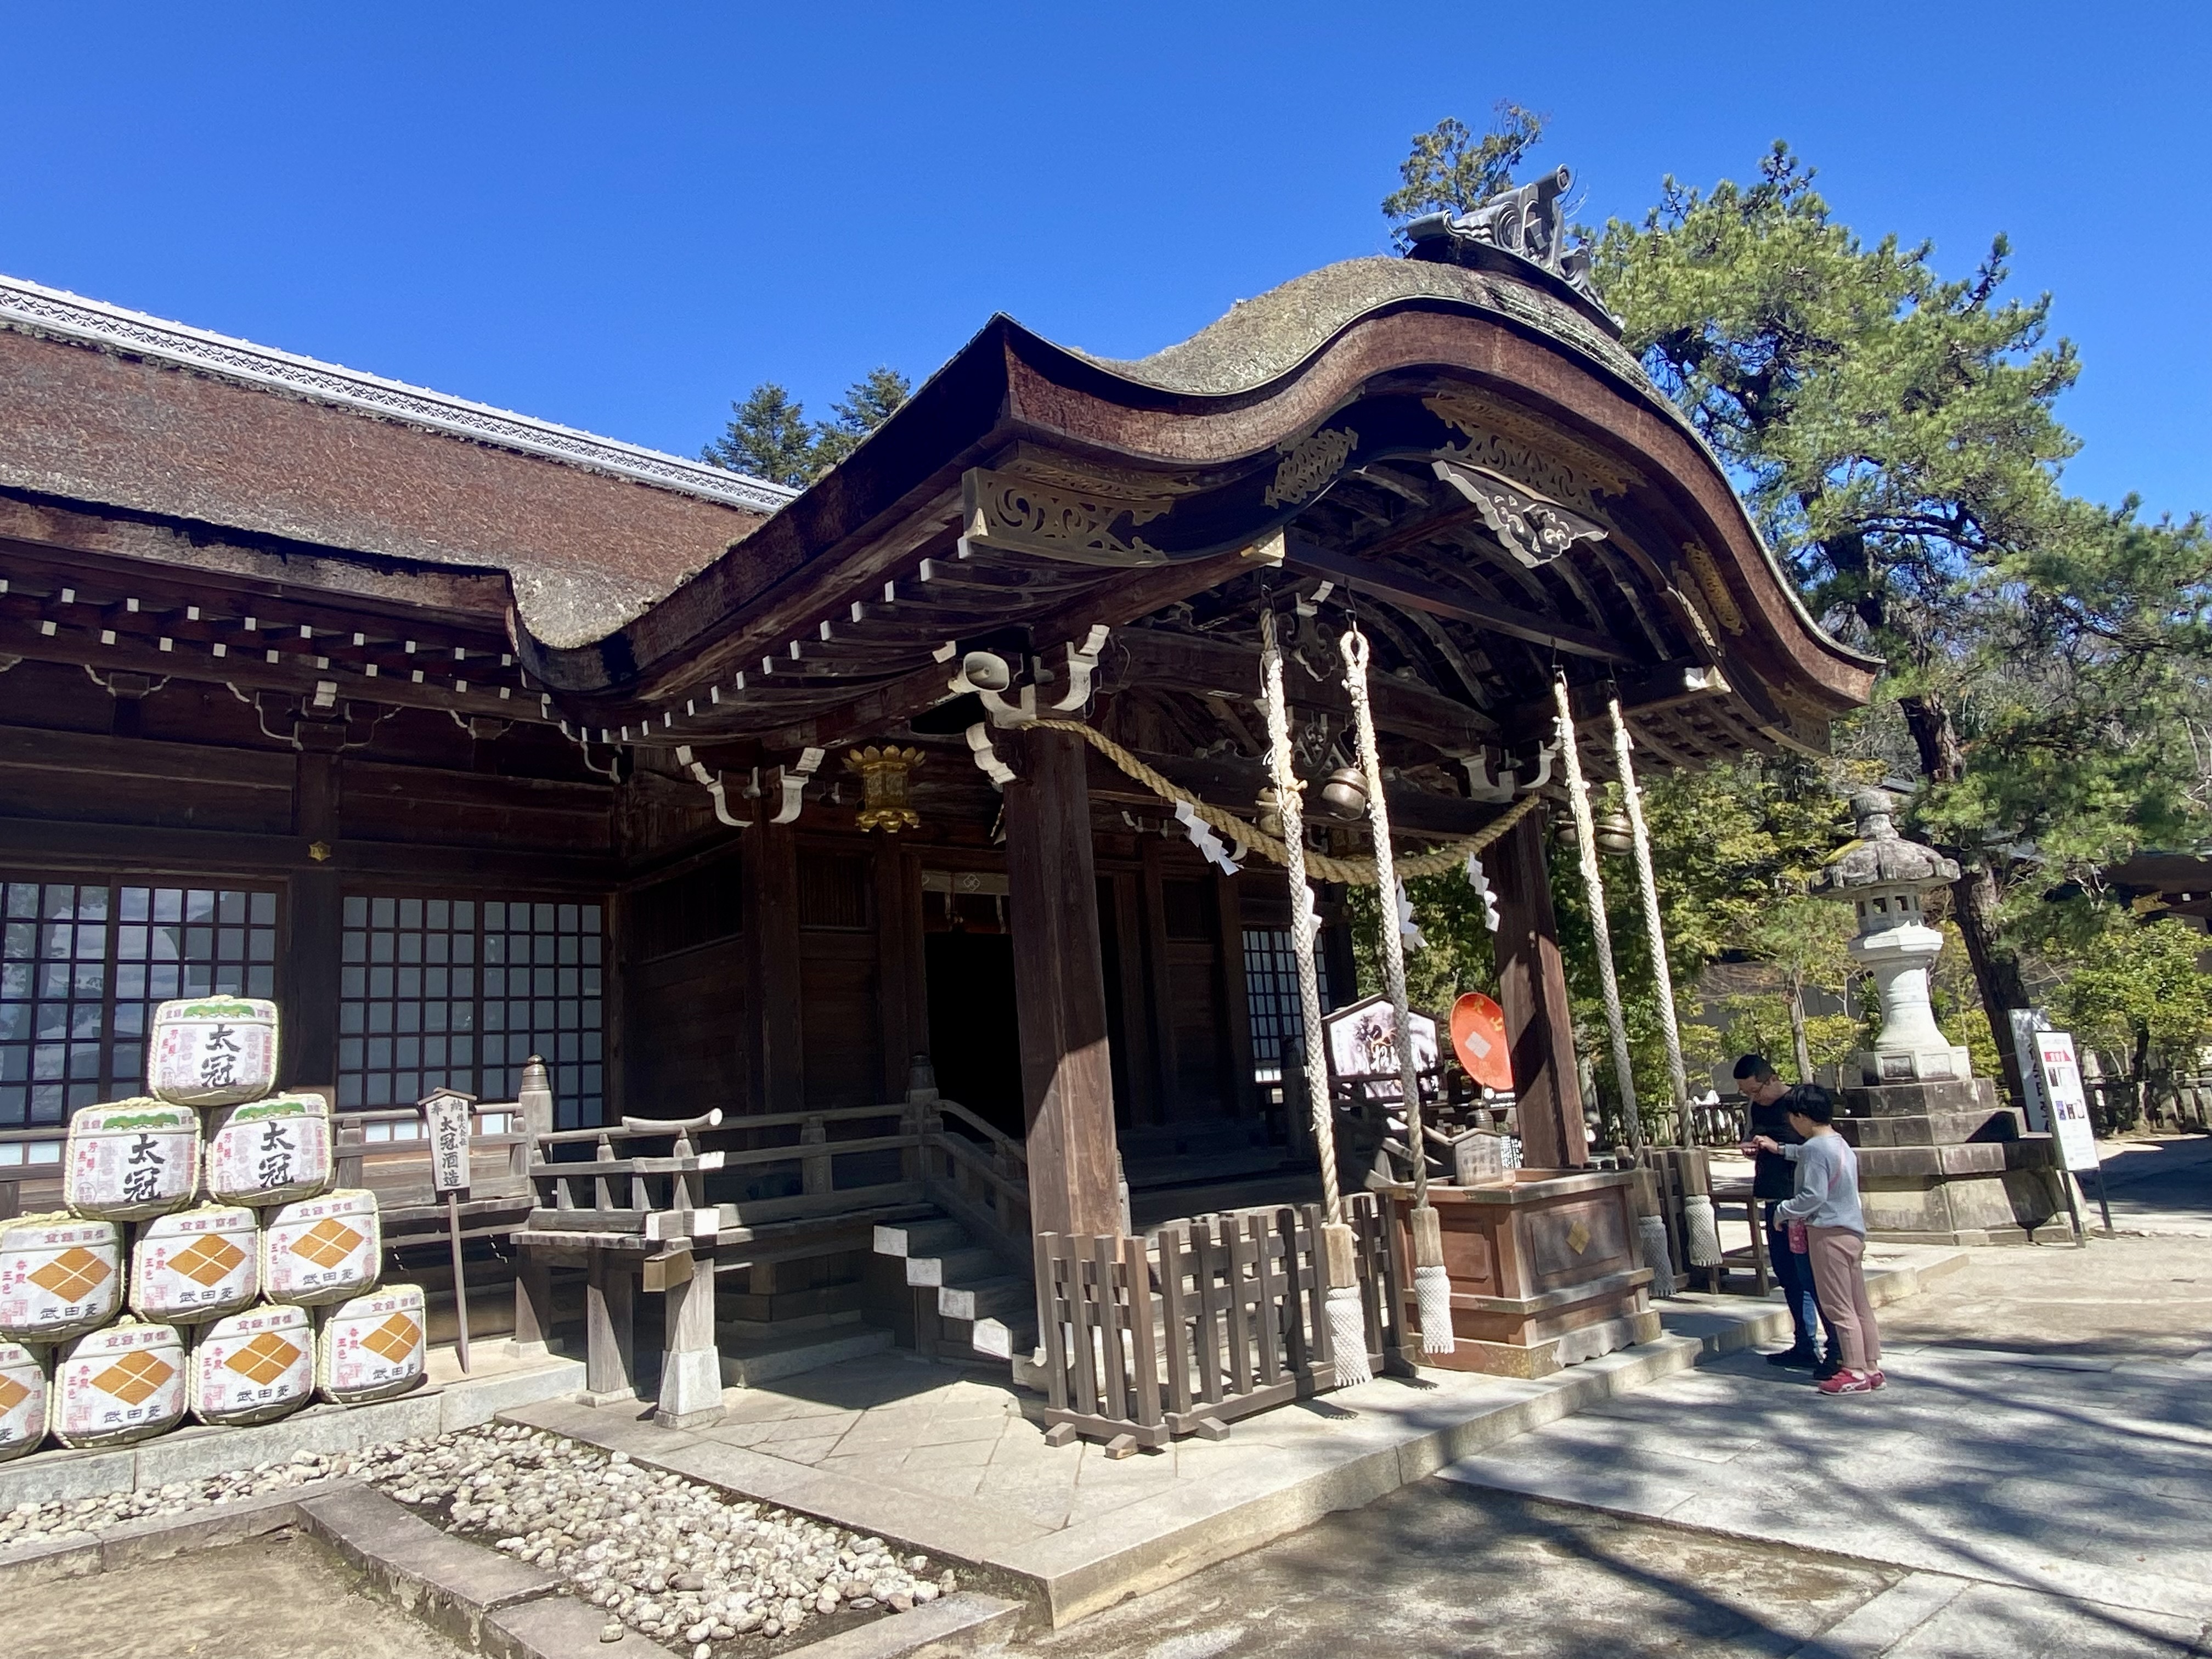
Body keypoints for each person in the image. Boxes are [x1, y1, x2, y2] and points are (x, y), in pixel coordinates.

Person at [1756, 1084, 1883, 1395]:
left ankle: (1852, 1369)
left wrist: (1783, 1210)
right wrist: (1781, 1149)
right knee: (1859, 1302)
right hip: (1851, 1231)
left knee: (1838, 1305)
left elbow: (1813, 1196)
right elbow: (1805, 1155)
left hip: (1827, 1233)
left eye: (1793, 1119)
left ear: (1802, 1117)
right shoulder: (1838, 1143)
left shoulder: (1814, 1149)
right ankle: (1870, 1365)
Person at [1735, 1056, 1834, 1375]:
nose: (1755, 1098)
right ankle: (1805, 1342)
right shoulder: (1759, 1108)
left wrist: (1778, 1147)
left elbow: (1815, 1149)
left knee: (1813, 1276)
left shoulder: (1800, 1104)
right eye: (1747, 1093)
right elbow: (1758, 1134)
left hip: (1801, 1199)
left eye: (1756, 1091)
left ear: (1772, 1078)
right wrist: (1753, 1145)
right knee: (1789, 1276)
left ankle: (1836, 1348)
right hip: (1774, 1195)